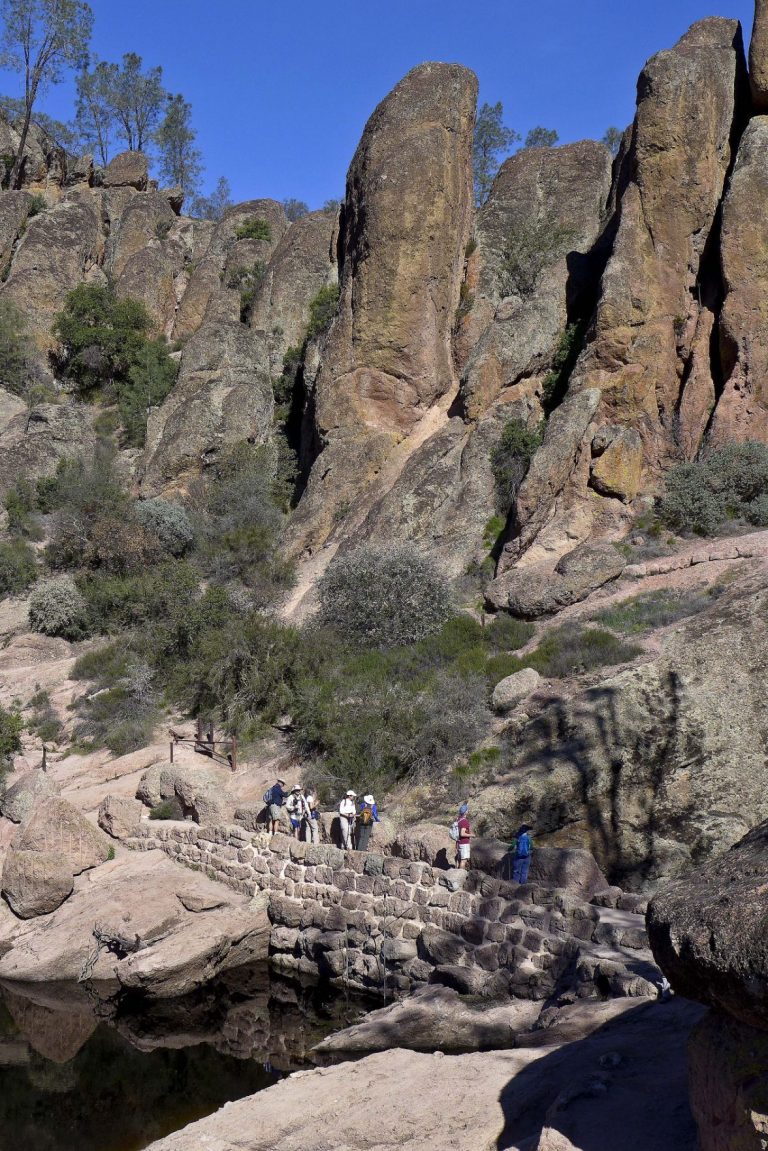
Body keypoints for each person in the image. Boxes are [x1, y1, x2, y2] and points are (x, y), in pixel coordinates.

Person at [456, 803, 471, 870]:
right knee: (463, 860)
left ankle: (457, 872)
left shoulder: (458, 820)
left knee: (460, 859)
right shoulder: (464, 821)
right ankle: (461, 874)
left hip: (459, 842)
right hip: (464, 843)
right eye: (467, 810)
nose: (468, 811)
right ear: (465, 812)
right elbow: (462, 833)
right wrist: (471, 835)